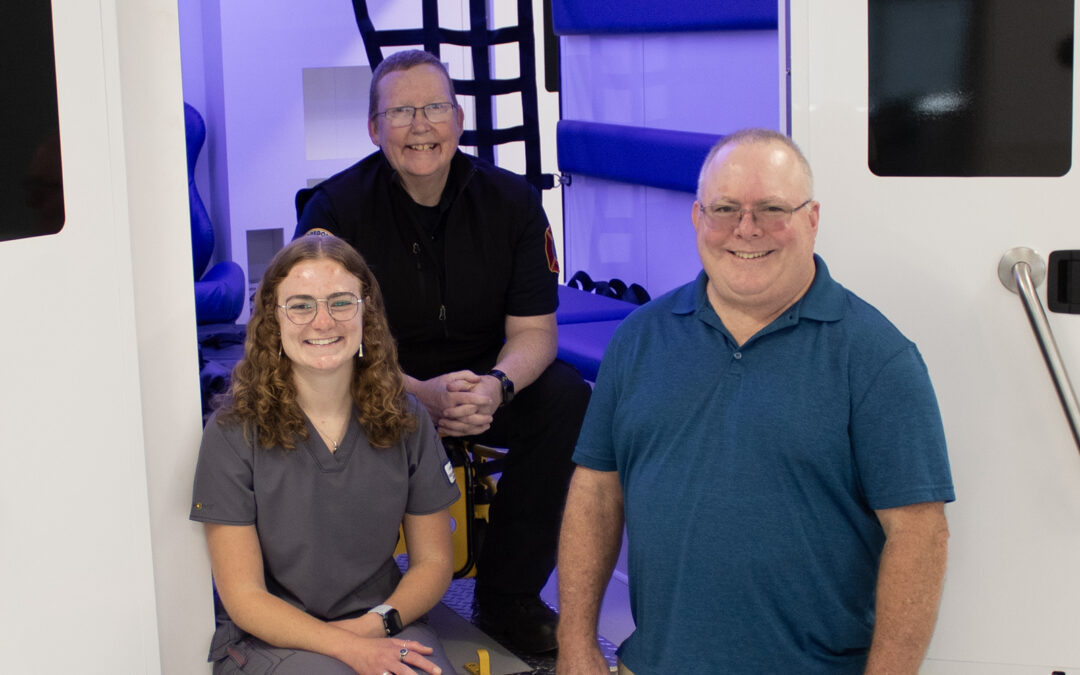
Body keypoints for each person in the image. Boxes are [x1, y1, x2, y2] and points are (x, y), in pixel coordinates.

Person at [556, 128, 955, 674]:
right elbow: (596, 494)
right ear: (697, 218)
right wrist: (576, 644)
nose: (746, 229)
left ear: (812, 219)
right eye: (725, 209)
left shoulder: (876, 358)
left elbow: (919, 535)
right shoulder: (640, 340)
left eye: (772, 208)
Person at [294, 49, 590, 654]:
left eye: (434, 107)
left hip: (480, 386)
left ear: (458, 119)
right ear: (375, 129)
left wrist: (495, 387)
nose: (420, 125)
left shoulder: (512, 202)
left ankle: (508, 599)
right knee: (316, 398)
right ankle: (347, 598)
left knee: (566, 399)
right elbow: (321, 337)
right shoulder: (332, 210)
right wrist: (415, 393)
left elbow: (535, 332)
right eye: (400, 112)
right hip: (376, 382)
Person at [190, 234, 461, 675]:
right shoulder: (233, 432)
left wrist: (377, 624)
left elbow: (433, 563)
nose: (322, 322)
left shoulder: (406, 419)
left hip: (382, 623)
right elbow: (245, 599)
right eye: (300, 305)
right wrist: (343, 647)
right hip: (272, 640)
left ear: (364, 314)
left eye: (340, 302)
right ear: (273, 323)